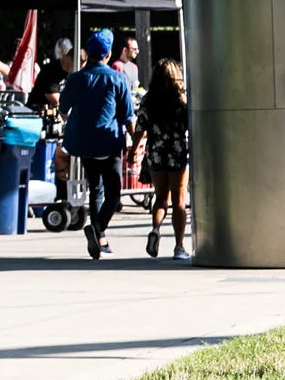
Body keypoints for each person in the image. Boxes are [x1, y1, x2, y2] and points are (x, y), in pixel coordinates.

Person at [58, 28, 136, 260]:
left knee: (95, 188)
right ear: (108, 53)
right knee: (114, 192)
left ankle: (100, 238)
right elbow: (127, 116)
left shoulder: (76, 78)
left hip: (84, 143)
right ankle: (98, 228)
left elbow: (63, 109)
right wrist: (135, 141)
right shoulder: (118, 79)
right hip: (109, 141)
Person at [135, 58, 191, 260]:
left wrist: (134, 151)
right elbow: (190, 125)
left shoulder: (149, 100)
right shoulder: (181, 100)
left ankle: (156, 229)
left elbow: (140, 127)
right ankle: (179, 246)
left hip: (156, 151)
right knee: (179, 200)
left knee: (160, 197)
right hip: (176, 151)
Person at [27, 37, 74, 118]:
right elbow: (55, 100)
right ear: (67, 58)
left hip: (54, 114)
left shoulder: (69, 73)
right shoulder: (50, 71)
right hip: (36, 113)